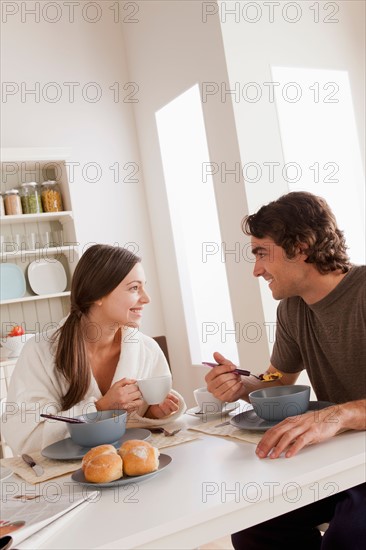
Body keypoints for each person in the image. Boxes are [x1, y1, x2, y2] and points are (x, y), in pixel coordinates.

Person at [205, 192, 365, 550]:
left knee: (350, 535)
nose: (256, 269)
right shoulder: (293, 309)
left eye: (262, 253)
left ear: (302, 247)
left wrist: (340, 415)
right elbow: (276, 379)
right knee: (254, 524)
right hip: (344, 461)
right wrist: (242, 384)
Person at [3, 244, 186, 455]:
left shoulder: (147, 350)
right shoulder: (40, 351)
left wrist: (155, 413)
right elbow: (26, 439)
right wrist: (99, 409)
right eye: (134, 288)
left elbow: (150, 430)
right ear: (97, 295)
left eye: (143, 287)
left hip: (135, 470)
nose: (146, 298)